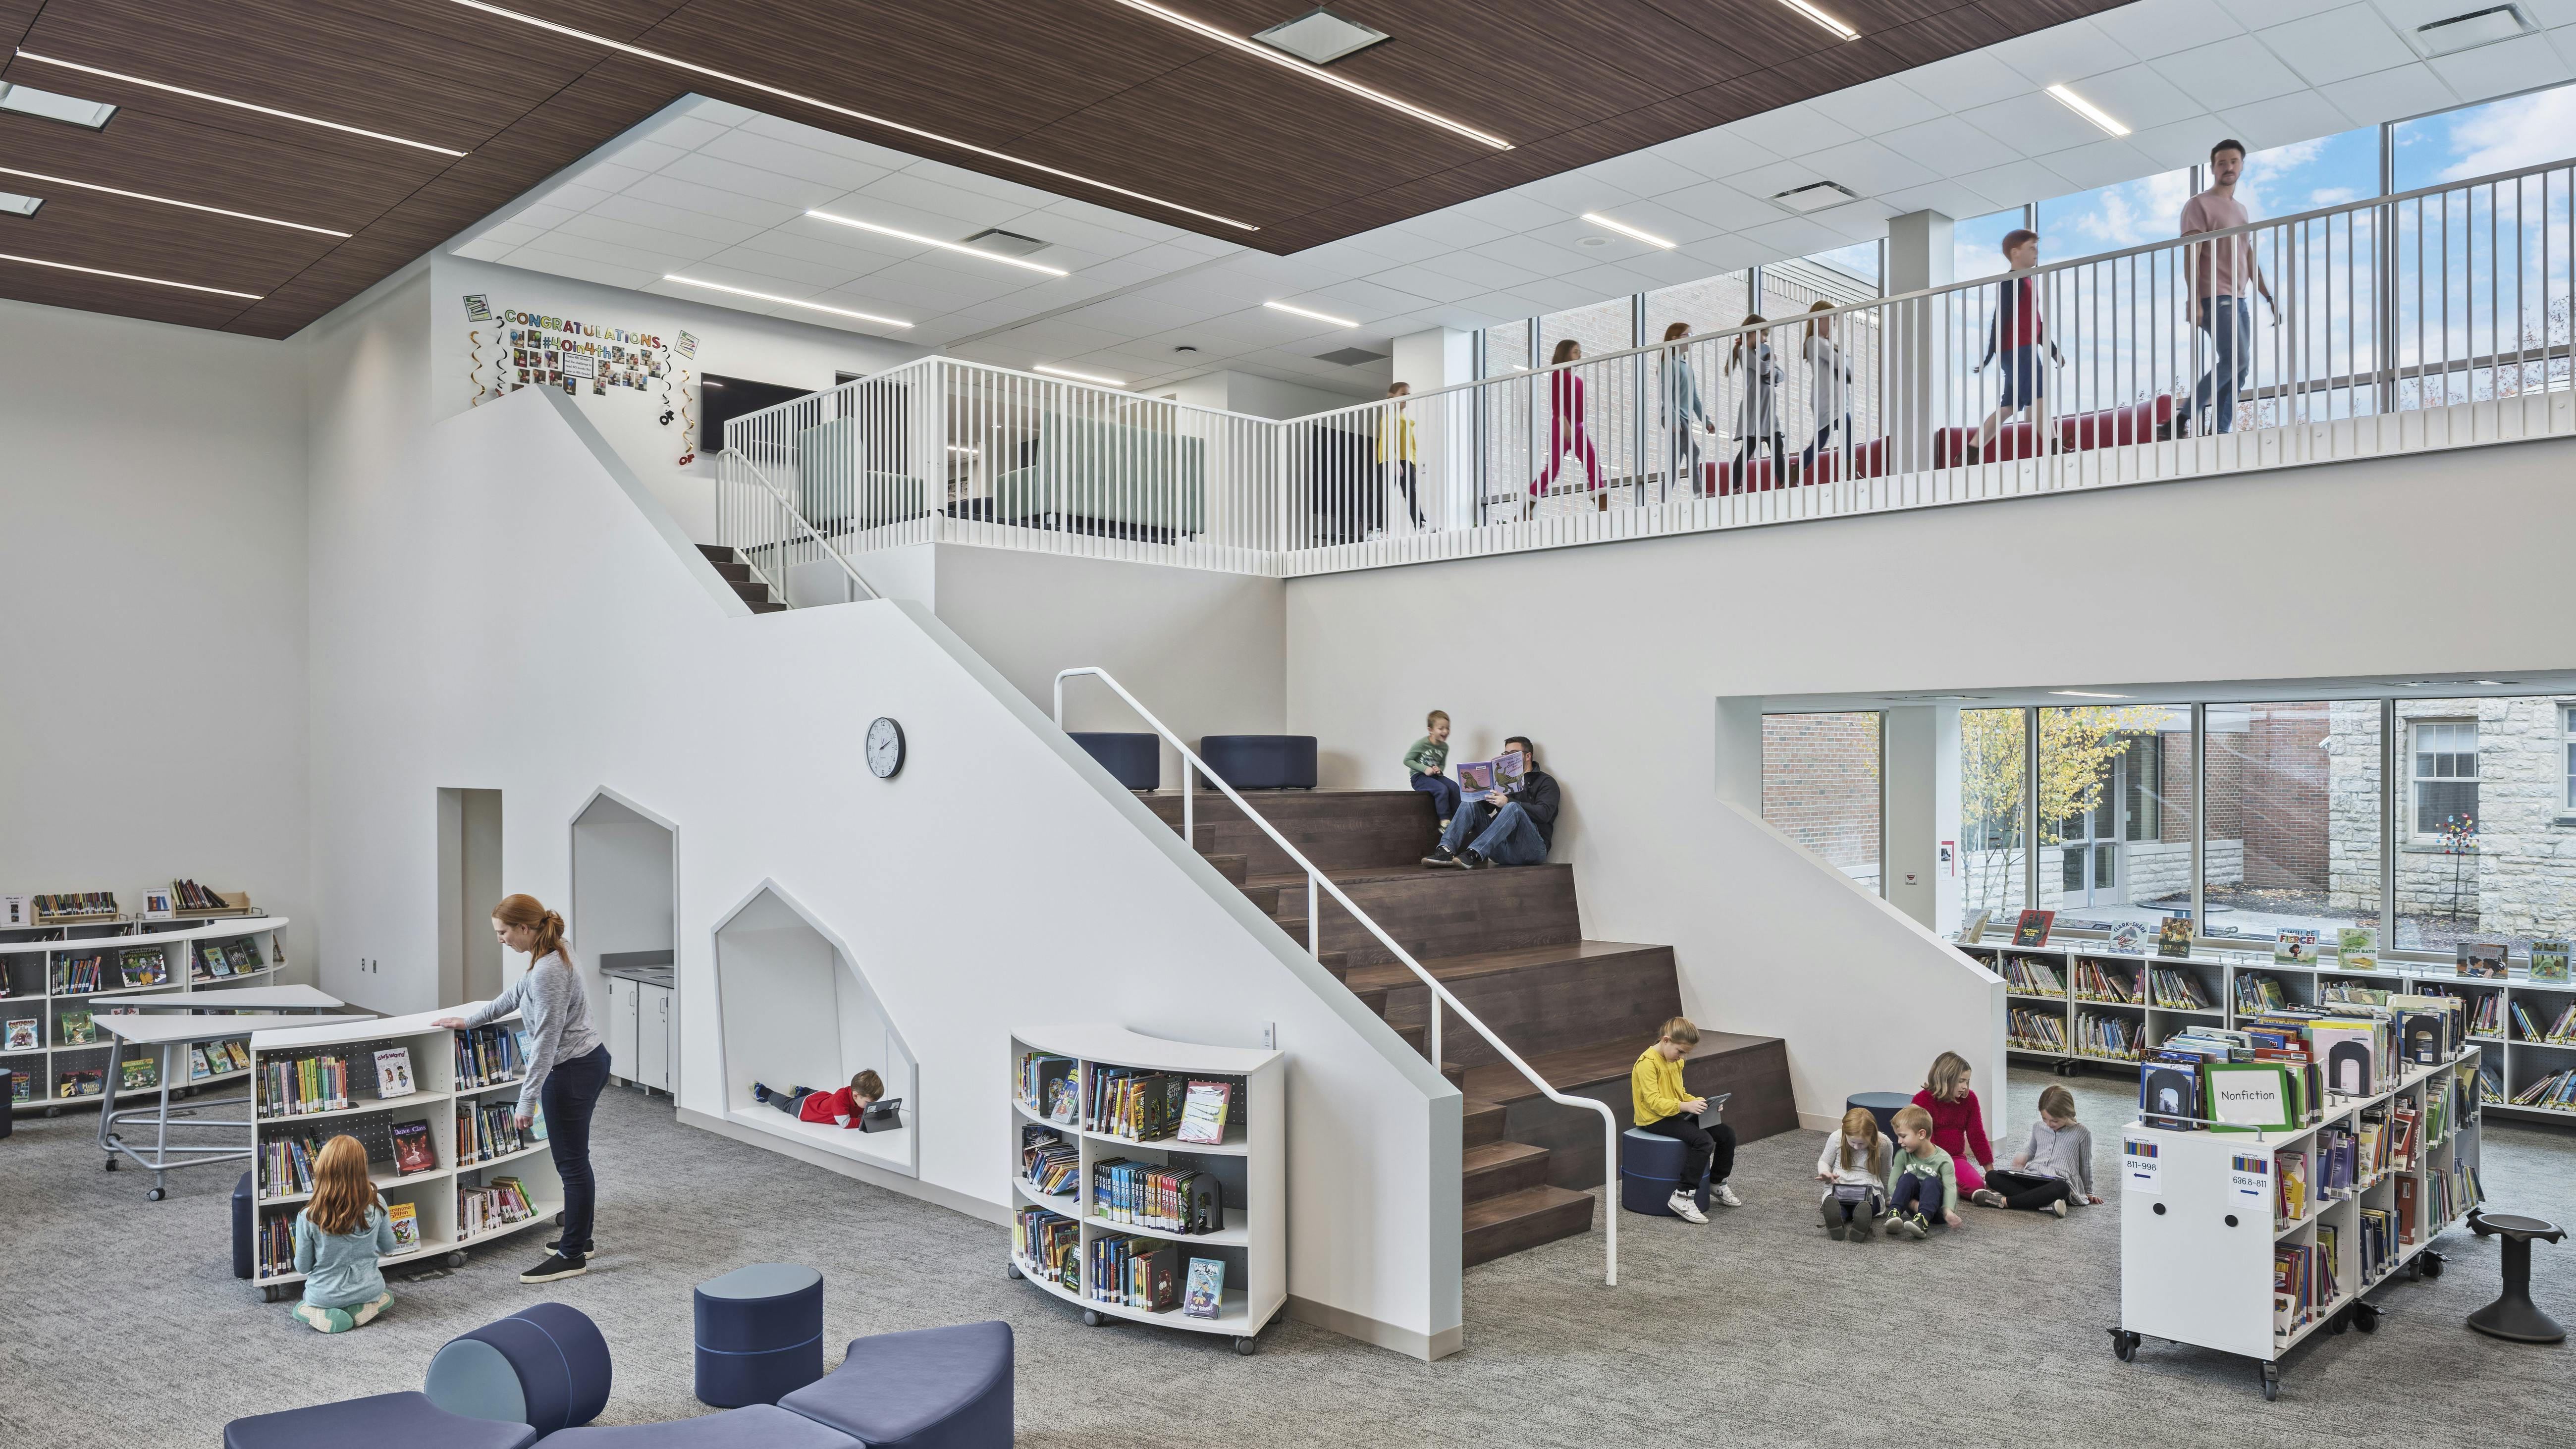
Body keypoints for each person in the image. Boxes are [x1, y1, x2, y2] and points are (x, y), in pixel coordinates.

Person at [434, 894, 608, 1284]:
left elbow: (545, 1041)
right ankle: (580, 1239)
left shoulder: (549, 969)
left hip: (571, 1070)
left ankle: (572, 1255)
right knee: (576, 1161)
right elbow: (515, 994)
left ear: (524, 928)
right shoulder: (554, 948)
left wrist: (526, 1100)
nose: (500, 939)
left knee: (572, 1165)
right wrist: (470, 1020)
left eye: (503, 932)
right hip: (589, 1061)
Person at [2179, 138, 2277, 437]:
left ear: (2242, 166)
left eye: (2234, 162)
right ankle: (2184, 416)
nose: (2228, 167)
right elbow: (2191, 254)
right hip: (2215, 296)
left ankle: (2220, 430)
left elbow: (2248, 256)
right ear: (2213, 168)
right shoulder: (2198, 205)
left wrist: (2268, 296)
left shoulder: (2241, 211)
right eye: (2222, 163)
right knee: (2237, 360)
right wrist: (2194, 299)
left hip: (2240, 299)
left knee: (2240, 368)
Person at [1630, 1016, 1741, 1224]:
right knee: (1703, 1141)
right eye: (1680, 1052)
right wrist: (1685, 1106)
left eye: (1686, 1054)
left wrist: (1701, 1103)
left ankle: (1716, 1182)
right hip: (1654, 1118)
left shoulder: (1675, 1061)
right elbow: (1653, 1103)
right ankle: (1682, 1196)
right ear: (1666, 1040)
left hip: (1675, 1112)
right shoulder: (1647, 1064)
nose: (1682, 1057)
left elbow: (1680, 1093)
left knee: (1727, 1134)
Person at [1968, 229, 2063, 462]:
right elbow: (1999, 318)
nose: (2036, 252)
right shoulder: (2012, 282)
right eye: (2031, 248)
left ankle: (1970, 453)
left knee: (2009, 407)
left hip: (2020, 351)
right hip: (2020, 351)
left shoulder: (2028, 281)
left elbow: (2036, 322)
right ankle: (2055, 449)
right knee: (2040, 398)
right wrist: (1989, 356)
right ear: (2015, 252)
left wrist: (2052, 350)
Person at [290, 1134, 399, 1333]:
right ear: (362, 1169)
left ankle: (318, 1312)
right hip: (370, 1289)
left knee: (304, 1302)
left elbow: (303, 1267)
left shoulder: (309, 1216)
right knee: (386, 1295)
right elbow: (389, 1246)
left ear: (323, 1169)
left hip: (325, 1295)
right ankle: (365, 1307)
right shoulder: (378, 1203)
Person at [1421, 735, 1558, 869]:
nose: (1508, 757)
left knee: (1513, 807)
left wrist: (1507, 802)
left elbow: (1544, 814)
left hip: (1532, 850)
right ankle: (1445, 851)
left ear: (1528, 756)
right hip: (1501, 850)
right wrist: (1480, 790)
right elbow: (1484, 809)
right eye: (1506, 754)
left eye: (1513, 754)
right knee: (1470, 803)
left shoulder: (1545, 782)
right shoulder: (1502, 781)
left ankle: (1473, 853)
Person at [1971, 1082, 2101, 1216]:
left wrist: (2088, 1192)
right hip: (2033, 1176)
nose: (2049, 1124)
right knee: (1991, 1176)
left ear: (2068, 1113)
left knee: (2063, 1188)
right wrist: (2024, 1156)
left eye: (2054, 1121)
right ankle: (2048, 1205)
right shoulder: (2038, 1127)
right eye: (2045, 1119)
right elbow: (2031, 1150)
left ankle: (2004, 1202)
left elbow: (2086, 1164)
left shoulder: (2082, 1132)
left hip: (2058, 1182)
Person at [1530, 339, 1607, 509]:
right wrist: (1565, 423)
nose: (1579, 355)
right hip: (1562, 428)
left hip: (1578, 428)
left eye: (1580, 351)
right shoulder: (1558, 375)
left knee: (1593, 464)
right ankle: (1527, 506)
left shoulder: (1577, 380)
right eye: (1575, 351)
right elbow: (1558, 402)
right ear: (1565, 354)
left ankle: (1602, 506)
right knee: (1552, 470)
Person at [1910, 1050, 1994, 1198]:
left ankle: (1944, 1185)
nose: (1965, 1086)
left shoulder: (1970, 1099)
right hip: (1927, 1159)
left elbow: (1977, 1135)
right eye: (1961, 1081)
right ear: (1946, 1078)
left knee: (1977, 1187)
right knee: (1928, 1184)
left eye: (1967, 1081)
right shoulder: (1922, 1100)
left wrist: (1992, 1175)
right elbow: (1924, 1142)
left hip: (1955, 1158)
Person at [1657, 321, 1717, 496]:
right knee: (1694, 451)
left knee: (1675, 461)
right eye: (1688, 335)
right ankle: (1698, 492)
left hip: (1684, 418)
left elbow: (1694, 398)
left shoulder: (1686, 367)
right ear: (1675, 339)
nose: (1692, 339)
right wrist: (1673, 418)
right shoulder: (1669, 364)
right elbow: (1666, 394)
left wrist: (1706, 420)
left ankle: (1664, 500)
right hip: (1674, 417)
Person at [1724, 314, 1784, 489]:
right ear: (1752, 333)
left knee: (1778, 446)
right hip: (1755, 409)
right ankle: (1734, 487)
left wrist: (1770, 369)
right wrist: (1771, 360)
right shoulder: (1744, 353)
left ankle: (1785, 484)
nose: (1765, 340)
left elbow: (1781, 376)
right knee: (1749, 449)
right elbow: (1764, 369)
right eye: (1764, 335)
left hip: (1768, 408)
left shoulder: (1762, 352)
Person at [1884, 1104, 1961, 1239]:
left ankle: (1922, 1222)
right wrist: (1912, 1204)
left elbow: (1950, 1187)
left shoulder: (1943, 1159)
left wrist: (1949, 1210)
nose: (1899, 1141)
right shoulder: (1902, 1155)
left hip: (1937, 1211)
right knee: (1907, 1178)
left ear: (1921, 1134)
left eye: (1903, 1136)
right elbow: (1893, 1183)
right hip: (1913, 1207)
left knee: (1931, 1181)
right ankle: (1894, 1215)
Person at [1814, 1105, 1887, 1240]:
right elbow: (1824, 1161)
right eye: (1853, 1142)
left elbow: (1887, 1173)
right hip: (1839, 1184)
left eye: (1862, 1143)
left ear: (1872, 1134)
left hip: (1869, 1189)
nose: (1857, 1147)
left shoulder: (1884, 1143)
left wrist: (1888, 1197)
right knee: (1834, 1202)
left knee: (1867, 1205)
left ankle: (1860, 1223)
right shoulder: (1836, 1138)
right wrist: (1825, 1172)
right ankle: (1838, 1220)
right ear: (1844, 1130)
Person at [1799, 300, 1854, 480]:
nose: (1833, 324)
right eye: (1830, 319)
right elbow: (1840, 363)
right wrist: (1845, 359)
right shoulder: (1814, 341)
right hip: (1827, 400)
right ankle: (1850, 471)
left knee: (1820, 441)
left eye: (1834, 320)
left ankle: (1795, 473)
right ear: (1819, 319)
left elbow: (1848, 369)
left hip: (1835, 399)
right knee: (1847, 429)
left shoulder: (1827, 344)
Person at [755, 1069, 883, 1127]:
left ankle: (800, 1091)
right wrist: (866, 1122)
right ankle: (763, 1092)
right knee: (788, 1104)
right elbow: (845, 1123)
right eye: (868, 1103)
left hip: (822, 1098)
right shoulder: (841, 1098)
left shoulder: (856, 1094)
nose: (871, 1106)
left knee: (818, 1094)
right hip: (807, 1108)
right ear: (855, 1095)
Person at [1377, 381, 1424, 529]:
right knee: (1385, 494)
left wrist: (1413, 464)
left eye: (1408, 395)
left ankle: (1421, 525)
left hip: (1406, 460)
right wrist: (1394, 461)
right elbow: (1388, 440)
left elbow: (1412, 444)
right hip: (1389, 460)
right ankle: (1378, 528)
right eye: (1403, 394)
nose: (1406, 398)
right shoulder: (1388, 417)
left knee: (1411, 493)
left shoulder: (1406, 419)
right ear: (1392, 396)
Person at [1404, 709, 1459, 827]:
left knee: (1454, 787)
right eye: (1441, 728)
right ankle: (1445, 821)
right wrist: (1424, 769)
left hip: (1435, 776)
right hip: (1419, 777)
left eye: (1448, 728)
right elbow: (1407, 760)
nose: (1445, 731)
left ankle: (1460, 818)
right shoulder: (1421, 744)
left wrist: (1439, 769)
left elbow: (1442, 764)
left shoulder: (1444, 747)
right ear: (1431, 730)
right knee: (1442, 789)